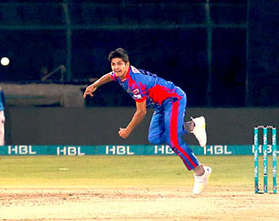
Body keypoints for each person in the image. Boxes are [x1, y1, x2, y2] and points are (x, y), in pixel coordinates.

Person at [83, 48, 210, 194]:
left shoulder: (135, 84)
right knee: (154, 138)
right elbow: (109, 76)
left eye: (119, 64)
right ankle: (191, 126)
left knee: (173, 141)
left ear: (127, 64)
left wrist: (127, 130)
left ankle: (200, 173)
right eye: (113, 64)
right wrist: (94, 85)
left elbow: (141, 112)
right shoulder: (120, 74)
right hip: (160, 105)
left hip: (173, 99)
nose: (116, 67)